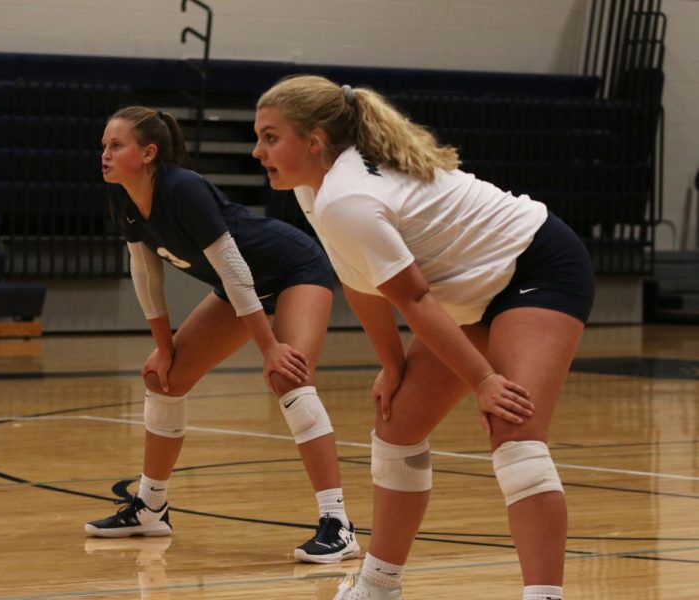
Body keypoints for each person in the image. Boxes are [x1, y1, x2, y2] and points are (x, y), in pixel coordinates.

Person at [253, 76, 594, 599]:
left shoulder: (346, 196)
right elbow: (362, 282)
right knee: (398, 424)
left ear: (315, 140)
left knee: (513, 429)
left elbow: (413, 299)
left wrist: (483, 380)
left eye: (271, 137)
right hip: (466, 292)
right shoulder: (314, 187)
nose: (258, 151)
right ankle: (379, 586)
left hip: (535, 266)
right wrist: (393, 367)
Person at [83, 106, 360, 565]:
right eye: (104, 147)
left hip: (293, 270)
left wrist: (270, 348)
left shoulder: (183, 189)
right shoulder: (127, 198)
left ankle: (339, 524)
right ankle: (151, 508)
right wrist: (165, 349)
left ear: (149, 152)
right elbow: (146, 275)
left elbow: (233, 269)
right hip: (241, 287)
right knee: (164, 380)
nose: (105, 155)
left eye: (116, 146)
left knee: (290, 378)